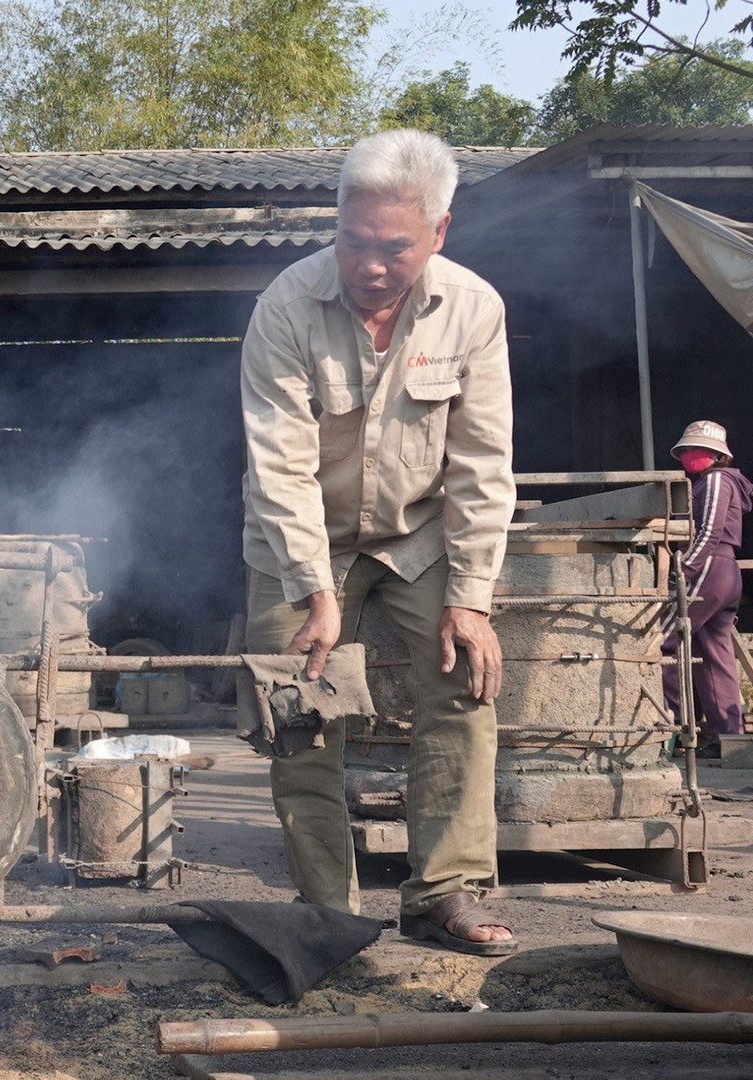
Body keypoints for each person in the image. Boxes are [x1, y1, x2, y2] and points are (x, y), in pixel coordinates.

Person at [239, 129, 517, 956]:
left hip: (417, 534)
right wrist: (315, 593)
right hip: (299, 538)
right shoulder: (286, 306)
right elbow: (279, 465)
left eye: (393, 248)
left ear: (439, 231)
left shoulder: (473, 309)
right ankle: (329, 910)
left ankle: (443, 891)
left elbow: (482, 464)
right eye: (353, 240)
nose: (368, 264)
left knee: (465, 679)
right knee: (302, 707)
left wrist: (471, 599)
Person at [664, 421, 751, 757]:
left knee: (662, 640)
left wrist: (684, 568)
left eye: (694, 449)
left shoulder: (716, 480)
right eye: (685, 449)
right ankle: (727, 739)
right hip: (725, 571)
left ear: (716, 454)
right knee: (714, 652)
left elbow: (710, 531)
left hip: (710, 567)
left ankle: (669, 728)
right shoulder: (717, 481)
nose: (688, 454)